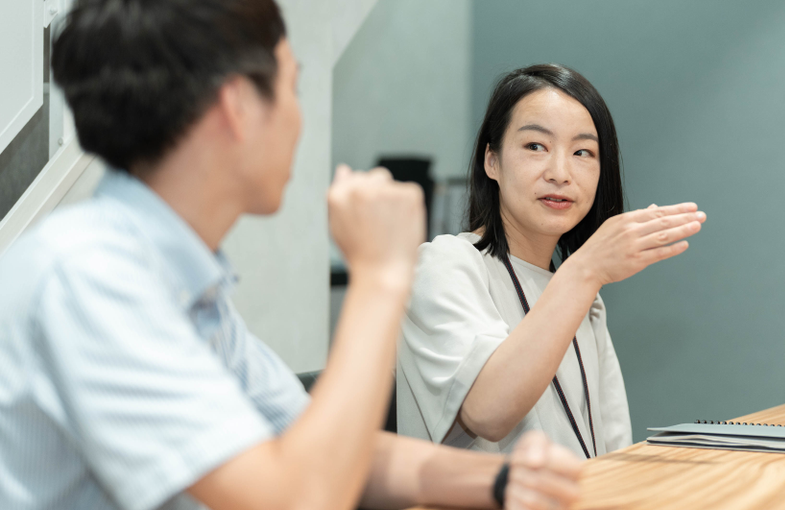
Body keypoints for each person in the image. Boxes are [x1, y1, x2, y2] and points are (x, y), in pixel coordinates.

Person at [0, 1, 581, 509]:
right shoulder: (89, 277)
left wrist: (503, 479)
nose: (299, 119)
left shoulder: (181, 284)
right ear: (237, 106)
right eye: (291, 87)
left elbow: (334, 449)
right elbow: (300, 495)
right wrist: (380, 274)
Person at [396, 64, 706, 458]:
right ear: (491, 160)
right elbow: (486, 413)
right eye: (535, 147)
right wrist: (585, 270)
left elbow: (608, 450)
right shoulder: (445, 264)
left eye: (582, 152)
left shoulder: (583, 296)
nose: (560, 173)